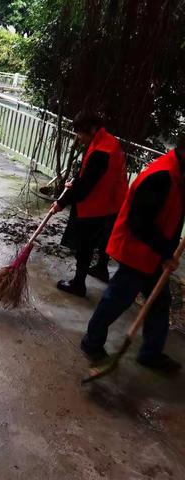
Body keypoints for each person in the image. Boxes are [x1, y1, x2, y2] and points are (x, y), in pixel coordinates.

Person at [80, 136, 185, 373]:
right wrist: (165, 252)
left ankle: (150, 353)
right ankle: (92, 342)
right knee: (116, 301)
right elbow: (140, 223)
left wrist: (166, 251)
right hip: (135, 250)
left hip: (154, 253)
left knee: (159, 302)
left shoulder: (178, 175)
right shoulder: (161, 176)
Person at [51, 111, 128, 297]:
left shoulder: (101, 151)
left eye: (80, 133)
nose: (78, 137)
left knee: (84, 245)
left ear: (92, 129)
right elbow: (90, 176)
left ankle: (78, 284)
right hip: (112, 201)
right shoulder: (106, 141)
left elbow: (86, 187)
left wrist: (61, 202)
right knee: (102, 239)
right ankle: (101, 268)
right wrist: (75, 182)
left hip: (99, 204)